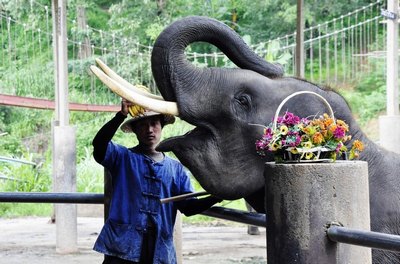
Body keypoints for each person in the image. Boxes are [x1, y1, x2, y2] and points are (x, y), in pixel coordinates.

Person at [92, 99, 222, 264]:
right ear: (135, 130)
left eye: (154, 124)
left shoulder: (176, 169)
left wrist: (217, 195)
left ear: (162, 127)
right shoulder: (122, 158)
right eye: (142, 125)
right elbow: (99, 145)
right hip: (122, 247)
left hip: (159, 249)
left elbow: (189, 207)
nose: (149, 130)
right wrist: (120, 116)